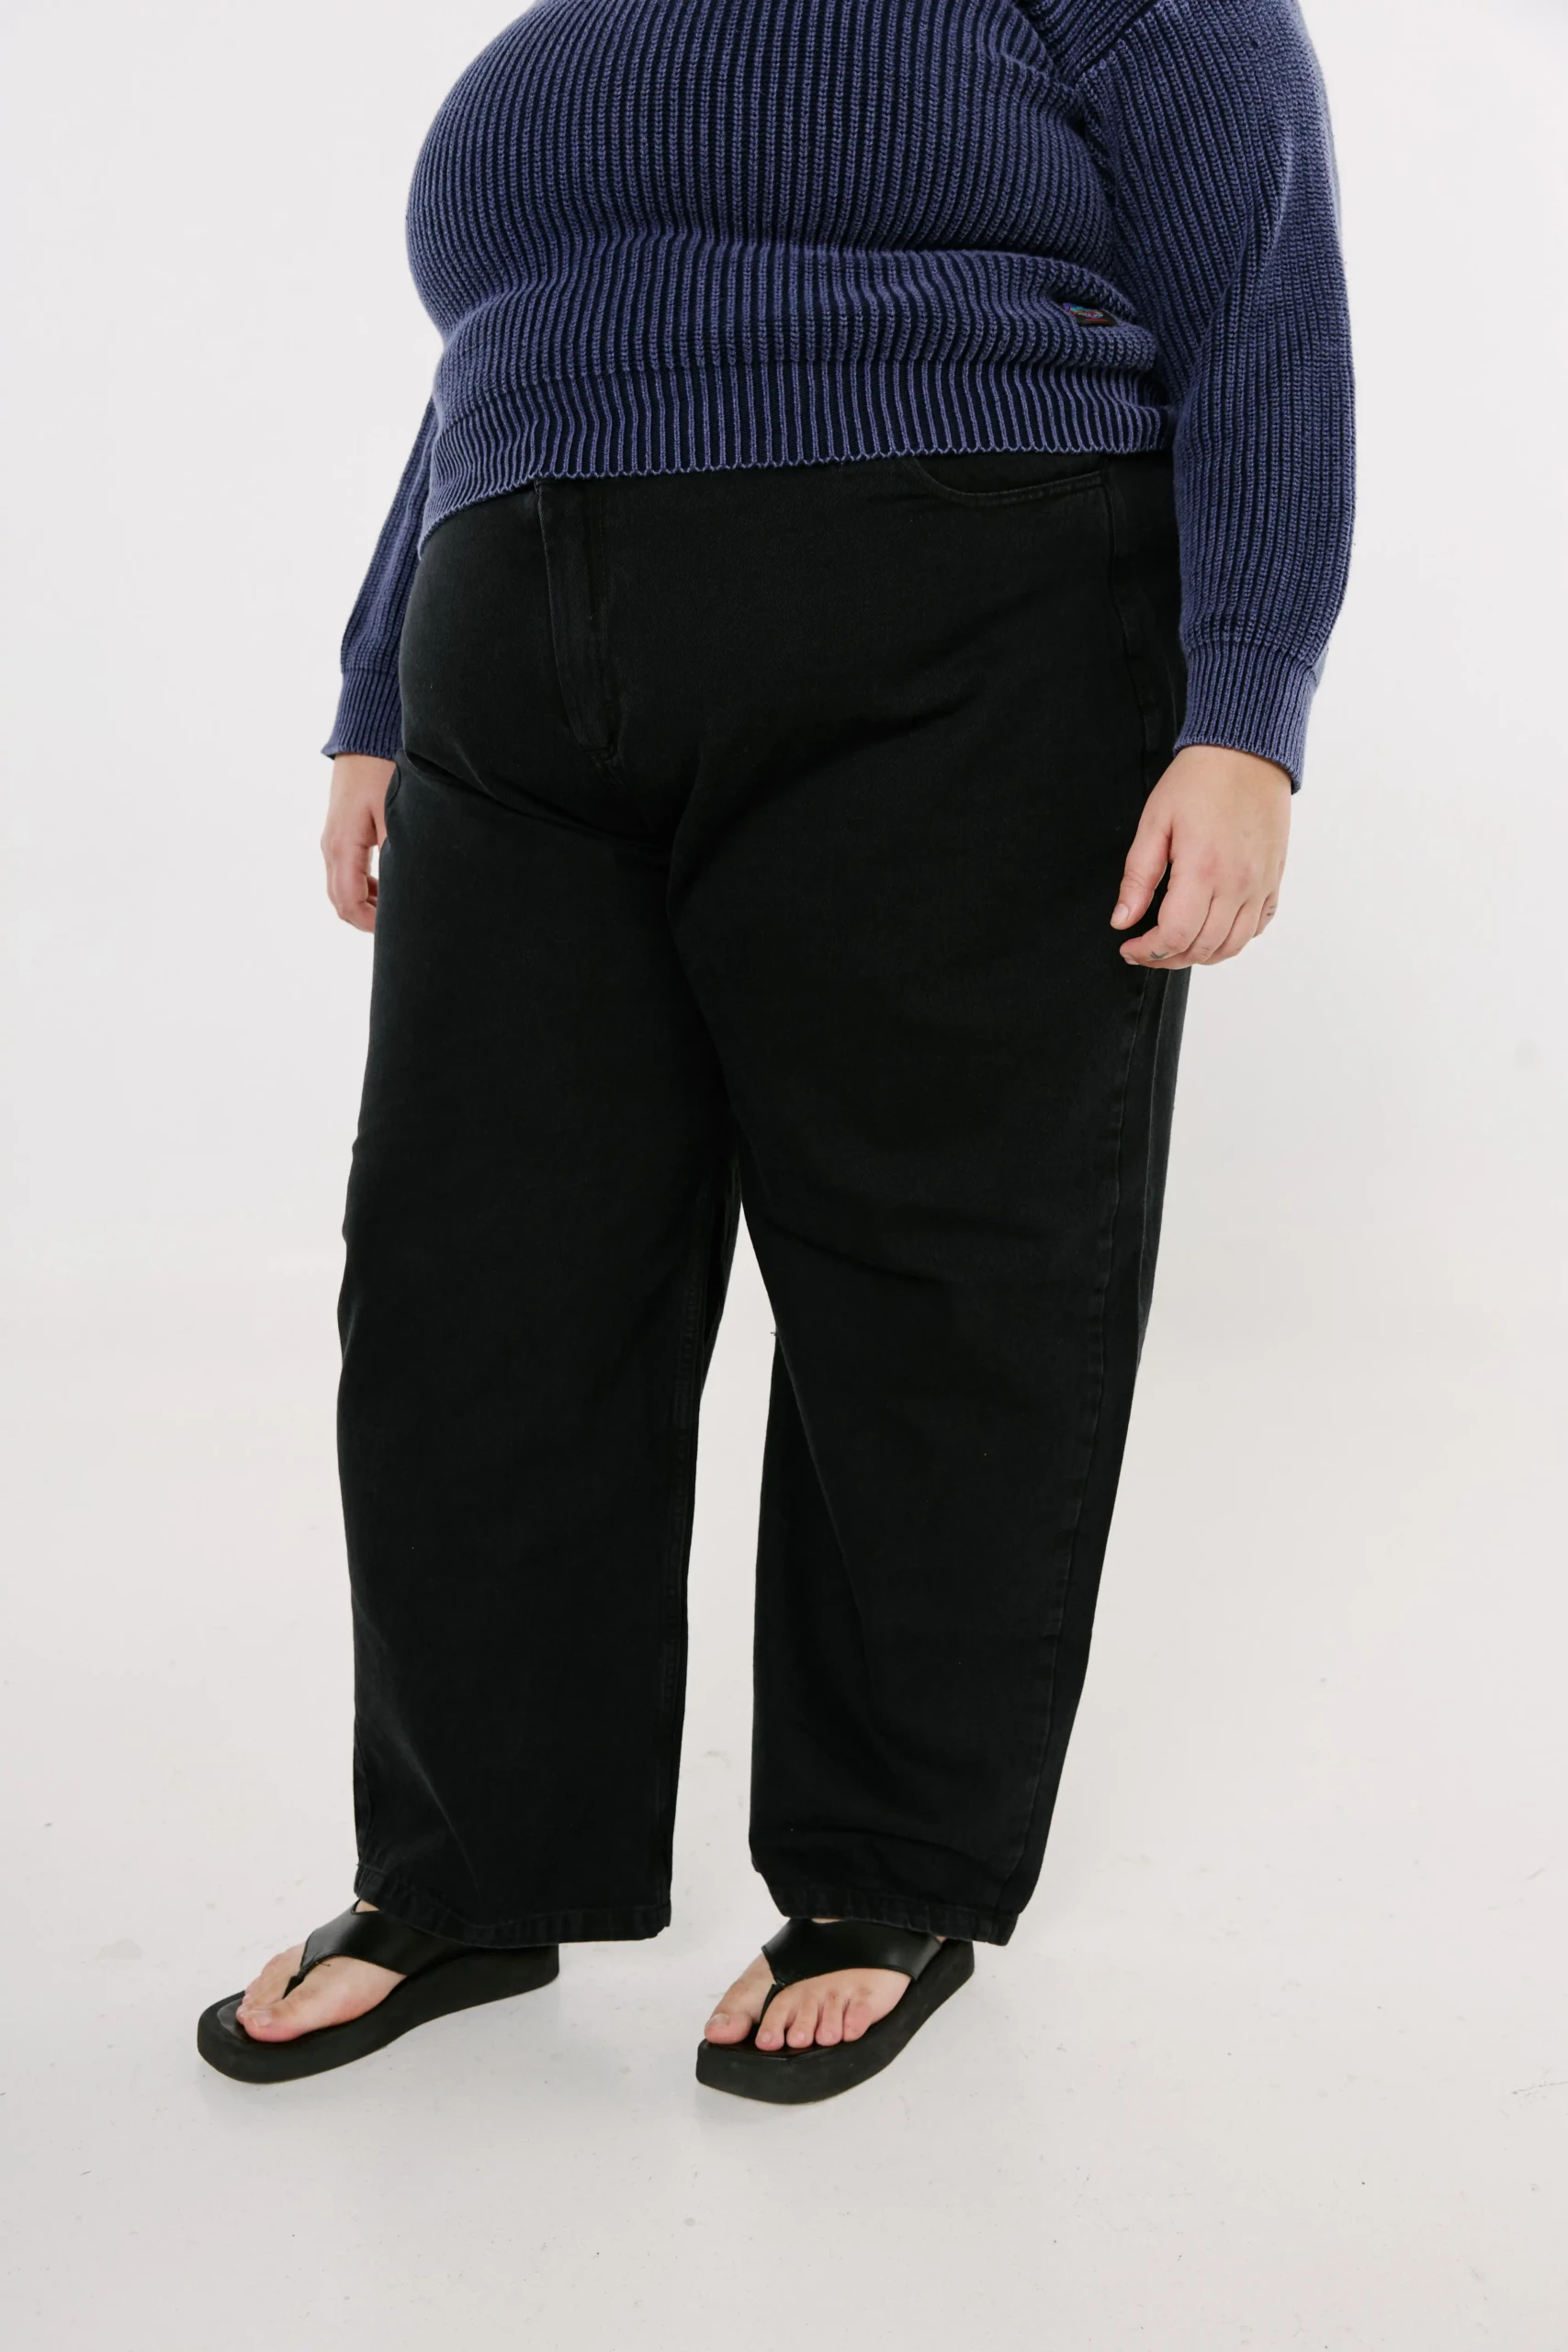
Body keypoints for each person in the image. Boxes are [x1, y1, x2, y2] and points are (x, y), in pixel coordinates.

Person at [198, 0, 1353, 2101]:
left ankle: (885, 1870)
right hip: (516, 669)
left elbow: (1261, 306)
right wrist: (377, 683)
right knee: (476, 1276)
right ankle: (469, 1864)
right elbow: (516, 341)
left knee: (928, 1266)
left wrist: (1244, 709)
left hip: (963, 631)